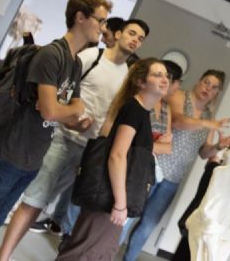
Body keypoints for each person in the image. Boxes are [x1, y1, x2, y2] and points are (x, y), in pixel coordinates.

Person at [0, 0, 111, 261]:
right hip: (9, 154)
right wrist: (72, 110)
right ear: (80, 17)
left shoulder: (74, 63)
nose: (103, 28)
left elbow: (68, 114)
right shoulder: (52, 55)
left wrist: (71, 111)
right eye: (100, 20)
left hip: (32, 160)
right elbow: (54, 110)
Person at [0, 19, 149, 260]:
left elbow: (117, 113)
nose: (135, 40)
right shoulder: (91, 57)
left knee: (73, 211)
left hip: (92, 152)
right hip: (63, 140)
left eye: (140, 38)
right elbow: (60, 92)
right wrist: (72, 118)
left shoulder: (129, 75)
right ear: (118, 34)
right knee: (35, 200)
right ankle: (2, 256)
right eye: (132, 33)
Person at [56, 58, 170, 260]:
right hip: (108, 199)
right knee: (86, 253)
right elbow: (117, 155)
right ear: (141, 82)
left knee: (100, 253)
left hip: (112, 198)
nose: (164, 79)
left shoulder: (141, 112)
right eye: (157, 74)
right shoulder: (134, 110)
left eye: (166, 75)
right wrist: (119, 204)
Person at [121, 70, 230, 261]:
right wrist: (208, 124)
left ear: (217, 93)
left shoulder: (209, 115)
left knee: (148, 224)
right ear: (199, 82)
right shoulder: (181, 96)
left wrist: (217, 147)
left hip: (173, 179)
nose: (208, 88)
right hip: (152, 167)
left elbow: (203, 153)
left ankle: (128, 259)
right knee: (128, 216)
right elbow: (179, 122)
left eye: (214, 87)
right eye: (206, 82)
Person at [171, 114, 230, 261]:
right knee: (189, 242)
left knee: (209, 252)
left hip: (229, 211)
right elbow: (210, 161)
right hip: (209, 201)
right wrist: (218, 147)